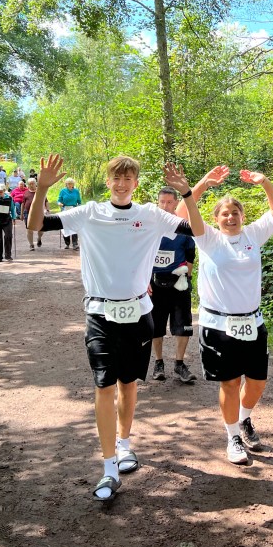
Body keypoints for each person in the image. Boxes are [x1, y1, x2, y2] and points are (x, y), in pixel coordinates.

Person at [27, 154, 204, 502]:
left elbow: (197, 230)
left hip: (139, 312)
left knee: (129, 383)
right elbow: (37, 225)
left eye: (128, 179)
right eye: (116, 178)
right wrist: (42, 188)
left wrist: (187, 194)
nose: (122, 184)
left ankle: (124, 444)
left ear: (136, 183)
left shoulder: (151, 215)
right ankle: (109, 468)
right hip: (100, 313)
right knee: (104, 385)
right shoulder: (90, 212)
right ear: (108, 182)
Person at [182, 166, 273, 466]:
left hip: (252, 322)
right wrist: (202, 184)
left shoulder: (253, 235)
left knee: (257, 381)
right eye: (225, 213)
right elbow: (183, 212)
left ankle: (244, 418)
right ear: (216, 218)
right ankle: (232, 438)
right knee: (229, 382)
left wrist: (264, 182)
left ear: (242, 215)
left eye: (235, 212)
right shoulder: (208, 238)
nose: (230, 217)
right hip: (218, 324)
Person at [149, 186, 198, 384]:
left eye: (170, 202)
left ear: (176, 203)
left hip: (179, 282)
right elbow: (141, 255)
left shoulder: (183, 227)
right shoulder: (151, 227)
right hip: (155, 283)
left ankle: (179, 364)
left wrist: (187, 276)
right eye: (162, 202)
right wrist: (145, 280)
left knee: (183, 326)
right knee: (156, 326)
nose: (166, 206)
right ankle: (158, 362)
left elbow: (190, 254)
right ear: (157, 203)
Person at [22, 177, 50, 250]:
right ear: (28, 185)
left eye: (33, 183)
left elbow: (46, 201)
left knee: (41, 229)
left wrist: (47, 210)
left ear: (36, 184)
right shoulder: (26, 193)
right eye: (30, 184)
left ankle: (39, 238)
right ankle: (31, 244)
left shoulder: (40, 192)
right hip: (28, 213)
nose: (31, 185)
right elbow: (23, 203)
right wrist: (21, 214)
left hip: (39, 213)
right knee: (29, 229)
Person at [57, 177, 82, 249]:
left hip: (73, 210)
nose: (70, 185)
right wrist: (59, 203)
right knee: (65, 226)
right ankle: (67, 243)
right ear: (66, 184)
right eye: (68, 183)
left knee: (74, 227)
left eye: (71, 183)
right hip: (65, 209)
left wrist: (79, 208)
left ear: (73, 184)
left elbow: (79, 201)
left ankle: (75, 244)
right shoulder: (63, 191)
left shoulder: (76, 191)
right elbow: (59, 200)